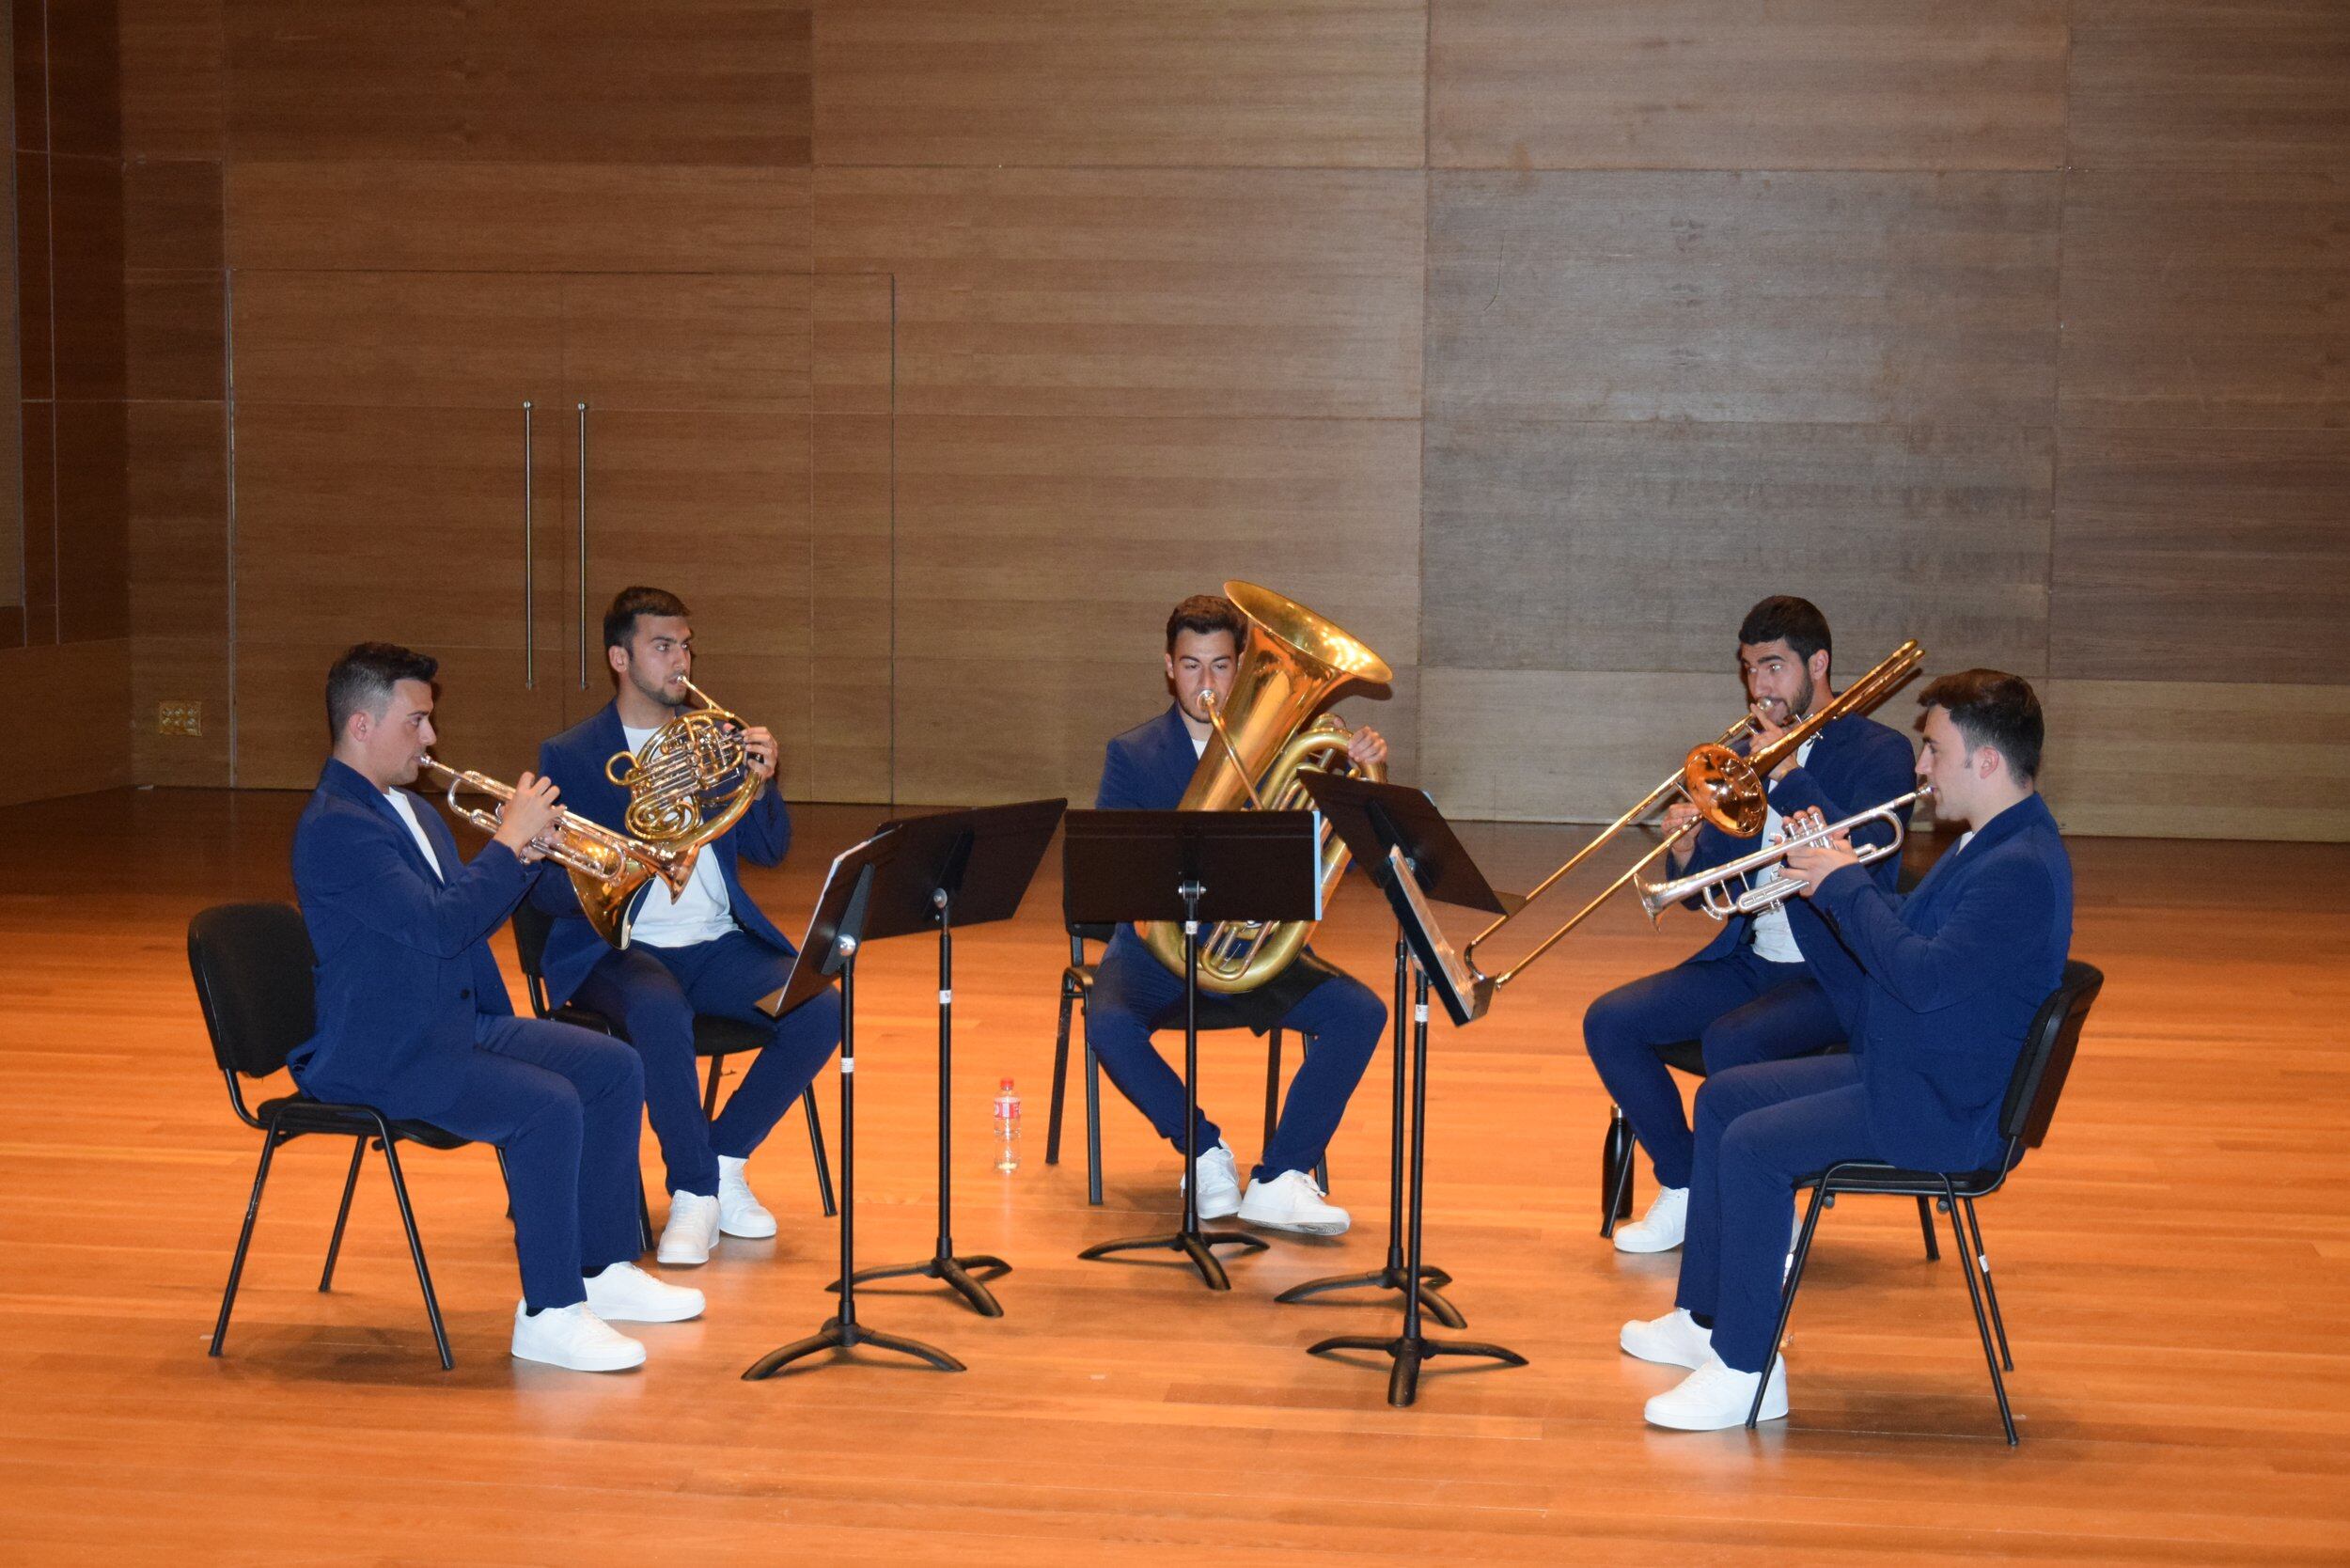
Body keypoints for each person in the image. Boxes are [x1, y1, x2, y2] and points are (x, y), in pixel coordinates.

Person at [1622, 669, 2072, 1431]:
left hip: (1944, 1108)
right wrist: (1835, 876)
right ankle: (1705, 1320)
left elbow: (1921, 978)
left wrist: (1842, 887)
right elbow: (1909, 940)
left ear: (1987, 762)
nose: (1920, 768)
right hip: (1914, 1069)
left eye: (1934, 750)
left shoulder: (2019, 870)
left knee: (1757, 1149)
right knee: (1725, 1097)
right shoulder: (1989, 844)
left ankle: (1748, 1370)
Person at [289, 642, 704, 1372]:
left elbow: (465, 915)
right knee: (546, 1106)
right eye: (416, 722)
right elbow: (442, 925)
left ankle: (599, 1270)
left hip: (448, 1023)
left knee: (611, 1067)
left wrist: (532, 853)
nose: (431, 738)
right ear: (361, 725)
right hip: (382, 1051)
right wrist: (507, 845)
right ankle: (548, 1312)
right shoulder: (337, 828)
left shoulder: (407, 809)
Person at [1582, 596, 1917, 1252]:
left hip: (1832, 973)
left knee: (1731, 1046)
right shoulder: (1744, 753)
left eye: (1773, 667)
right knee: (1610, 1022)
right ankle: (1685, 1184)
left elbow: (1866, 860)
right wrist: (1686, 850)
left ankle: (1759, 1210)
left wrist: (1790, 776)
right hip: (1753, 958)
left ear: (1817, 664)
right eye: (1748, 669)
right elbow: (1724, 873)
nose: (1758, 687)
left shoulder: (1881, 752)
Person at [531, 588, 843, 1266]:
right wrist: (625, 852)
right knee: (658, 1009)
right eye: (663, 646)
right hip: (622, 950)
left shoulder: (714, 741)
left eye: (687, 644)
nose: (682, 660)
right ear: (620, 657)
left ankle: (725, 1158)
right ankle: (694, 1191)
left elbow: (769, 849)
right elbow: (548, 889)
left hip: (718, 943)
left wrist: (766, 779)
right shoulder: (573, 754)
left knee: (819, 1005)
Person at [1086, 593, 1388, 1235]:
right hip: (1155, 953)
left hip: (1246, 953)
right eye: (1191, 666)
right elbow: (1108, 879)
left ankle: (1281, 1177)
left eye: (1221, 666)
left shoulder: (1289, 754)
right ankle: (1201, 1151)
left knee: (1360, 1011)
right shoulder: (1132, 755)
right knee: (1106, 1022)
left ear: (1243, 667)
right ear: (1168, 667)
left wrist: (1360, 788)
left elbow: (1349, 867)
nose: (1207, 684)